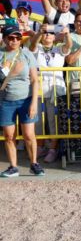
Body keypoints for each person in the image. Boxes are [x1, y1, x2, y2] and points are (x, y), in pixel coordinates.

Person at [0, 26, 42, 178]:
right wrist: (8, 73)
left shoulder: (27, 54)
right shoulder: (0, 55)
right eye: (11, 38)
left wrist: (34, 103)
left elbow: (35, 80)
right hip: (5, 101)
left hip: (26, 99)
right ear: (4, 39)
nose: (15, 41)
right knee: (9, 136)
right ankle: (13, 167)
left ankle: (34, 163)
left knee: (29, 135)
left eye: (18, 37)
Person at [29, 23, 71, 163]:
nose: (47, 35)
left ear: (55, 36)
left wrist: (67, 34)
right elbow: (32, 45)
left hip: (55, 89)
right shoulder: (37, 48)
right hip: (39, 90)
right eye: (45, 33)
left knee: (53, 121)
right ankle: (40, 146)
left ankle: (53, 148)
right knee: (39, 121)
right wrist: (39, 32)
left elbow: (68, 47)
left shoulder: (59, 48)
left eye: (50, 33)